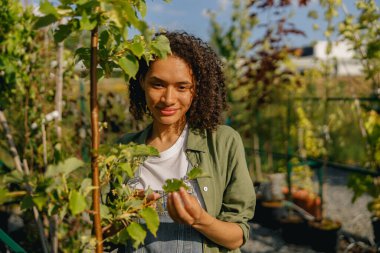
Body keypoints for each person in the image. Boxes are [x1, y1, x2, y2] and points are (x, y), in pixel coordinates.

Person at [118, 31, 255, 253]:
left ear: (196, 89)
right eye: (158, 84)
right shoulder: (121, 152)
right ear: (142, 81)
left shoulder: (223, 143)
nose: (168, 99)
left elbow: (237, 237)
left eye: (182, 87)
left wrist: (199, 219)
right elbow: (103, 234)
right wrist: (127, 214)